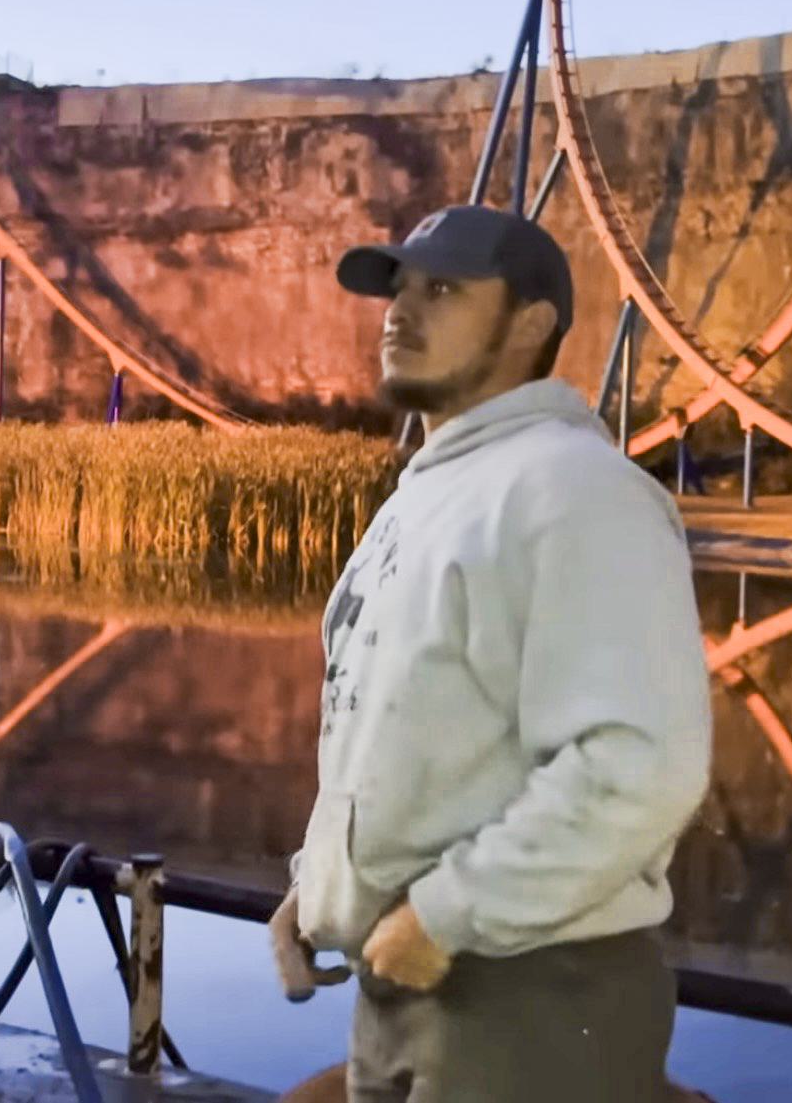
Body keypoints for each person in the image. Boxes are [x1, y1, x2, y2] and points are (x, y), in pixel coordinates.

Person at [269, 205, 712, 1102]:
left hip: (527, 997)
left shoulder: (576, 491)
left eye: (443, 290)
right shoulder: (426, 496)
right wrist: (313, 893)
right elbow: (388, 739)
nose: (401, 311)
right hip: (408, 987)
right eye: (397, 288)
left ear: (531, 324)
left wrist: (443, 913)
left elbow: (638, 766)